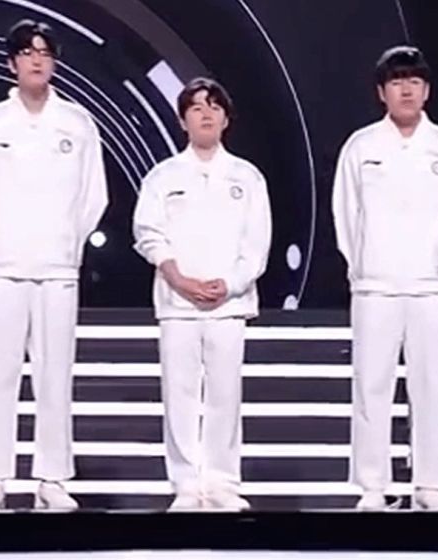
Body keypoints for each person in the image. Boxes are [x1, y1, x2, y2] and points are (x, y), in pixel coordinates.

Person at [0, 19, 109, 511]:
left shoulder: (77, 123)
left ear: (54, 62)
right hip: (2, 265)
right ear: (12, 63)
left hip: (58, 266)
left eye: (45, 52)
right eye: (28, 52)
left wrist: (67, 243)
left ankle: (51, 478)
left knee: (54, 374)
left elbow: (94, 196)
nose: (37, 59)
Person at [332, 45, 438, 511]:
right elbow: (346, 214)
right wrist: (363, 265)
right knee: (371, 383)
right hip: (375, 284)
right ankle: (373, 486)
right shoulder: (362, 147)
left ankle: (429, 484)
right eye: (397, 82)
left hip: (431, 285)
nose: (406, 90)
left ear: (426, 90)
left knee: (429, 385)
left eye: (414, 81)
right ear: (382, 92)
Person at [132, 77, 272, 511]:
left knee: (225, 395)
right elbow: (147, 232)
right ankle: (186, 485)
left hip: (229, 305)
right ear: (182, 120)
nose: (206, 114)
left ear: (226, 118)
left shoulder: (247, 177)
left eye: (214, 106)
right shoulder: (163, 176)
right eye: (196, 107)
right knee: (180, 395)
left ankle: (223, 483)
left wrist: (229, 284)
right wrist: (177, 277)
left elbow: (256, 244)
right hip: (177, 304)